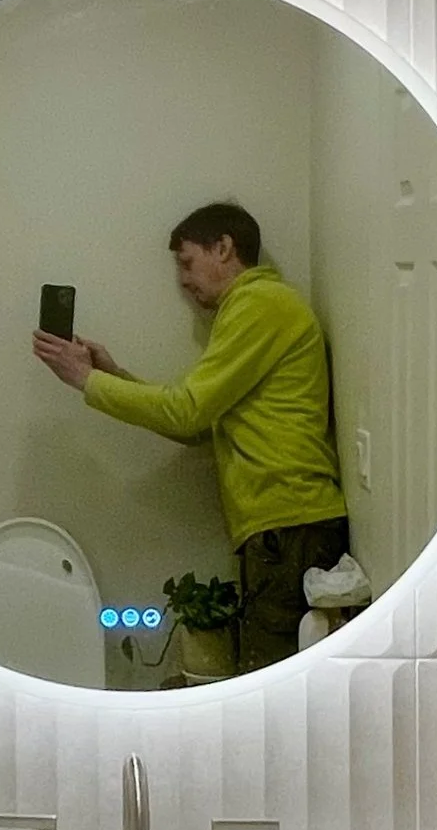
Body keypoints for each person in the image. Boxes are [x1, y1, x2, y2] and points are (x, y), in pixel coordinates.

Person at [33, 199, 348, 672]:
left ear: (223, 248)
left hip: (290, 524)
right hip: (286, 525)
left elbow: (186, 412)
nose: (183, 281)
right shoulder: (255, 309)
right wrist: (112, 374)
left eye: (187, 262)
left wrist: (87, 381)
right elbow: (199, 422)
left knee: (271, 682)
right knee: (274, 678)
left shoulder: (259, 304)